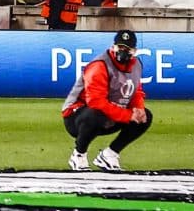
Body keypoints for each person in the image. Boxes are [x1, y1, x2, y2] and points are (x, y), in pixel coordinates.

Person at [61, 28, 152, 172]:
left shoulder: (136, 65)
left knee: (145, 117)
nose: (123, 51)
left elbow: (136, 90)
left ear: (134, 51)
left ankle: (110, 154)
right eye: (120, 47)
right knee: (95, 113)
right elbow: (95, 101)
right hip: (76, 116)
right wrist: (128, 115)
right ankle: (79, 154)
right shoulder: (99, 66)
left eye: (127, 49)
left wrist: (138, 108)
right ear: (113, 47)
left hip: (110, 111)